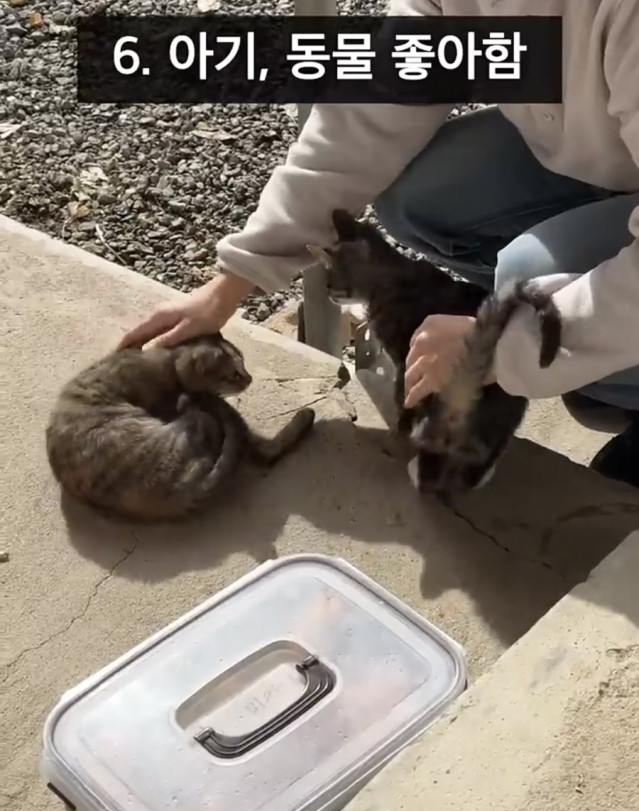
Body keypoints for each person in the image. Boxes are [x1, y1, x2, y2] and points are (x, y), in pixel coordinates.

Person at [119, 0, 639, 488]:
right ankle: (600, 354)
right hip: (615, 153)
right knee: (421, 198)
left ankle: (619, 377)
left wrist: (513, 341)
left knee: (522, 280)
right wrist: (233, 280)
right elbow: (370, 115)